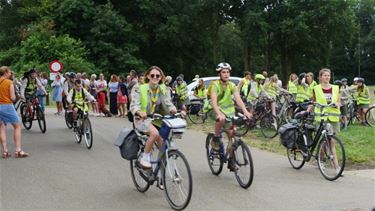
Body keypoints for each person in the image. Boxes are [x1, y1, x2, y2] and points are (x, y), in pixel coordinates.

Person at [130, 66, 178, 169]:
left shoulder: (163, 89)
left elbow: (168, 103)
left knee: (163, 144)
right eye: (152, 75)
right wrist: (139, 112)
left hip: (156, 119)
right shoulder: (139, 88)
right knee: (154, 133)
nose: (155, 77)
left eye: (157, 75)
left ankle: (160, 173)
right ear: (148, 76)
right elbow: (134, 105)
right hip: (141, 119)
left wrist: (174, 110)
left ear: (161, 77)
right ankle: (145, 157)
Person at [207, 62, 252, 171]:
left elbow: (238, 99)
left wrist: (245, 111)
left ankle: (231, 160)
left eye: (227, 72)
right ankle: (216, 138)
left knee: (232, 135)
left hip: (228, 112)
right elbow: (213, 102)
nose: (226, 74)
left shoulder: (232, 85)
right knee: (221, 119)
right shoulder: (214, 85)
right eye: (223, 72)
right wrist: (218, 113)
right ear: (219, 74)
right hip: (214, 109)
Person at [308, 68, 342, 174]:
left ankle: (320, 160)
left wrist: (338, 104)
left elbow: (339, 102)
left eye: (329, 75)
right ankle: (336, 166)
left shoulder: (336, 88)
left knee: (329, 141)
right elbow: (312, 101)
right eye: (325, 75)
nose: (327, 77)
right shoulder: (316, 88)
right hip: (321, 118)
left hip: (333, 118)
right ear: (320, 77)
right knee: (328, 141)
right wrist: (307, 110)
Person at [0, 66, 28, 158]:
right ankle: (18, 150)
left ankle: (5, 151)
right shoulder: (9, 82)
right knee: (17, 126)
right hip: (7, 106)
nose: (10, 74)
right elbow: (12, 98)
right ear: (6, 72)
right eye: (9, 72)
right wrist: (17, 97)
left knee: (2, 127)